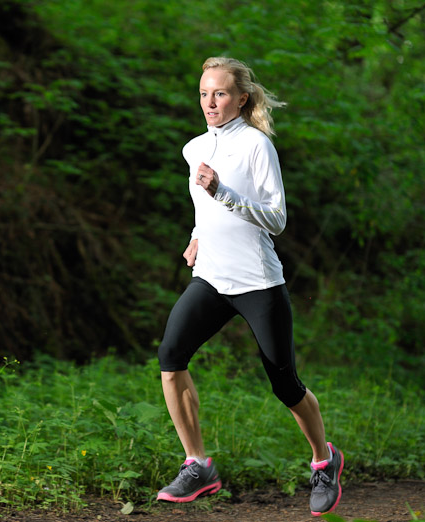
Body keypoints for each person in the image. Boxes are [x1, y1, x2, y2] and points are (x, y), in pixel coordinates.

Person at [155, 56, 343, 517]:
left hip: (257, 281)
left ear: (241, 99)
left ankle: (324, 461)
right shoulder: (194, 148)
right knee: (171, 357)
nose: (210, 102)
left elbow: (276, 219)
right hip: (211, 277)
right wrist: (197, 235)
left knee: (285, 383)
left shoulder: (258, 146)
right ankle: (198, 465)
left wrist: (223, 192)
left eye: (219, 93)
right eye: (204, 93)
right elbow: (203, 208)